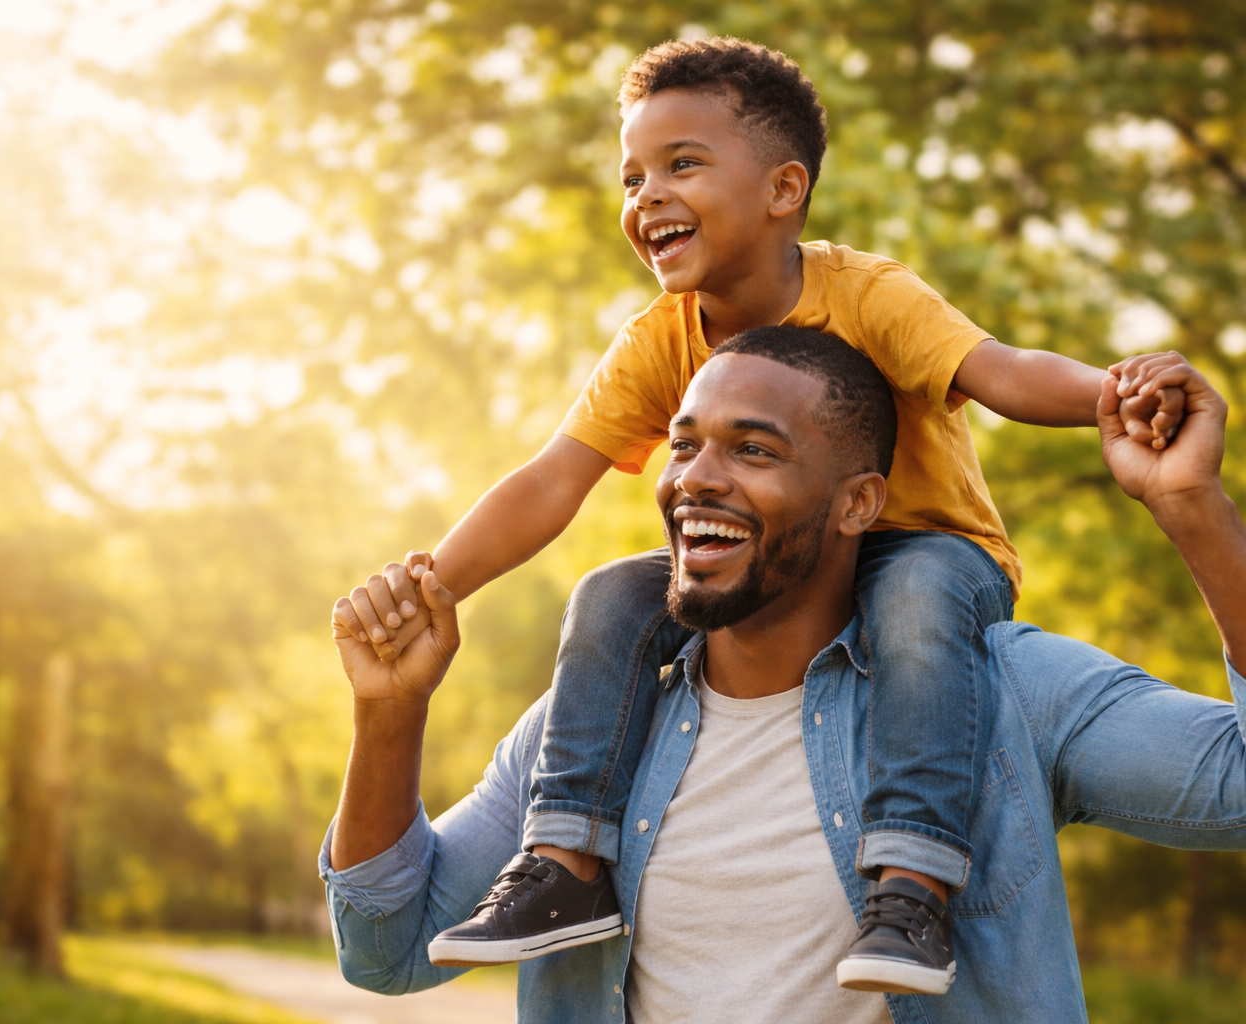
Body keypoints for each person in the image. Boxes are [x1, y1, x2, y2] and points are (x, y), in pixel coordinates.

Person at [332, 36, 1185, 990]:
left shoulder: (869, 294)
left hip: (931, 559)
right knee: (613, 595)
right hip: (773, 571)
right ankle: (566, 863)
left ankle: (911, 890)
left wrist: (1117, 397)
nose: (646, 195)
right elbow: (547, 482)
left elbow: (1002, 372)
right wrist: (430, 584)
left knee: (909, 608)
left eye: (682, 164)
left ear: (785, 190)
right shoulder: (662, 340)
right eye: (632, 176)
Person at [323, 331, 1244, 1023]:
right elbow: (388, 951)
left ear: (858, 503)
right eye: (684, 446)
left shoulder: (1003, 693)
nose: (697, 480)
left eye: (753, 451)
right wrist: (390, 714)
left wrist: (1192, 508)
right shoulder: (590, 725)